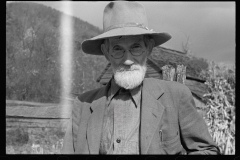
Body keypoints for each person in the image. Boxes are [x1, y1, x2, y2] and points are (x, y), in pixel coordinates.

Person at [61, 1, 220, 154]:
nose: (128, 60)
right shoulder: (83, 105)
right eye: (118, 49)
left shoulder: (176, 97)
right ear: (106, 52)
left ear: (148, 48)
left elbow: (207, 151)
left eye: (135, 47)